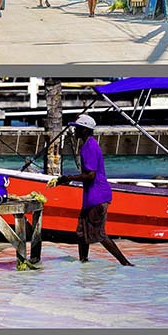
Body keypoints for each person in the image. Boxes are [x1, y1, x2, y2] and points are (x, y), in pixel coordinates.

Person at [48, 114, 132, 266]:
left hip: (97, 197)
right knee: (81, 233)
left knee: (99, 234)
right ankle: (83, 264)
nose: (75, 131)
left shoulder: (90, 147)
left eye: (78, 128)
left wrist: (67, 178)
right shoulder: (87, 145)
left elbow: (91, 175)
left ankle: (125, 263)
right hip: (91, 198)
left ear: (85, 130)